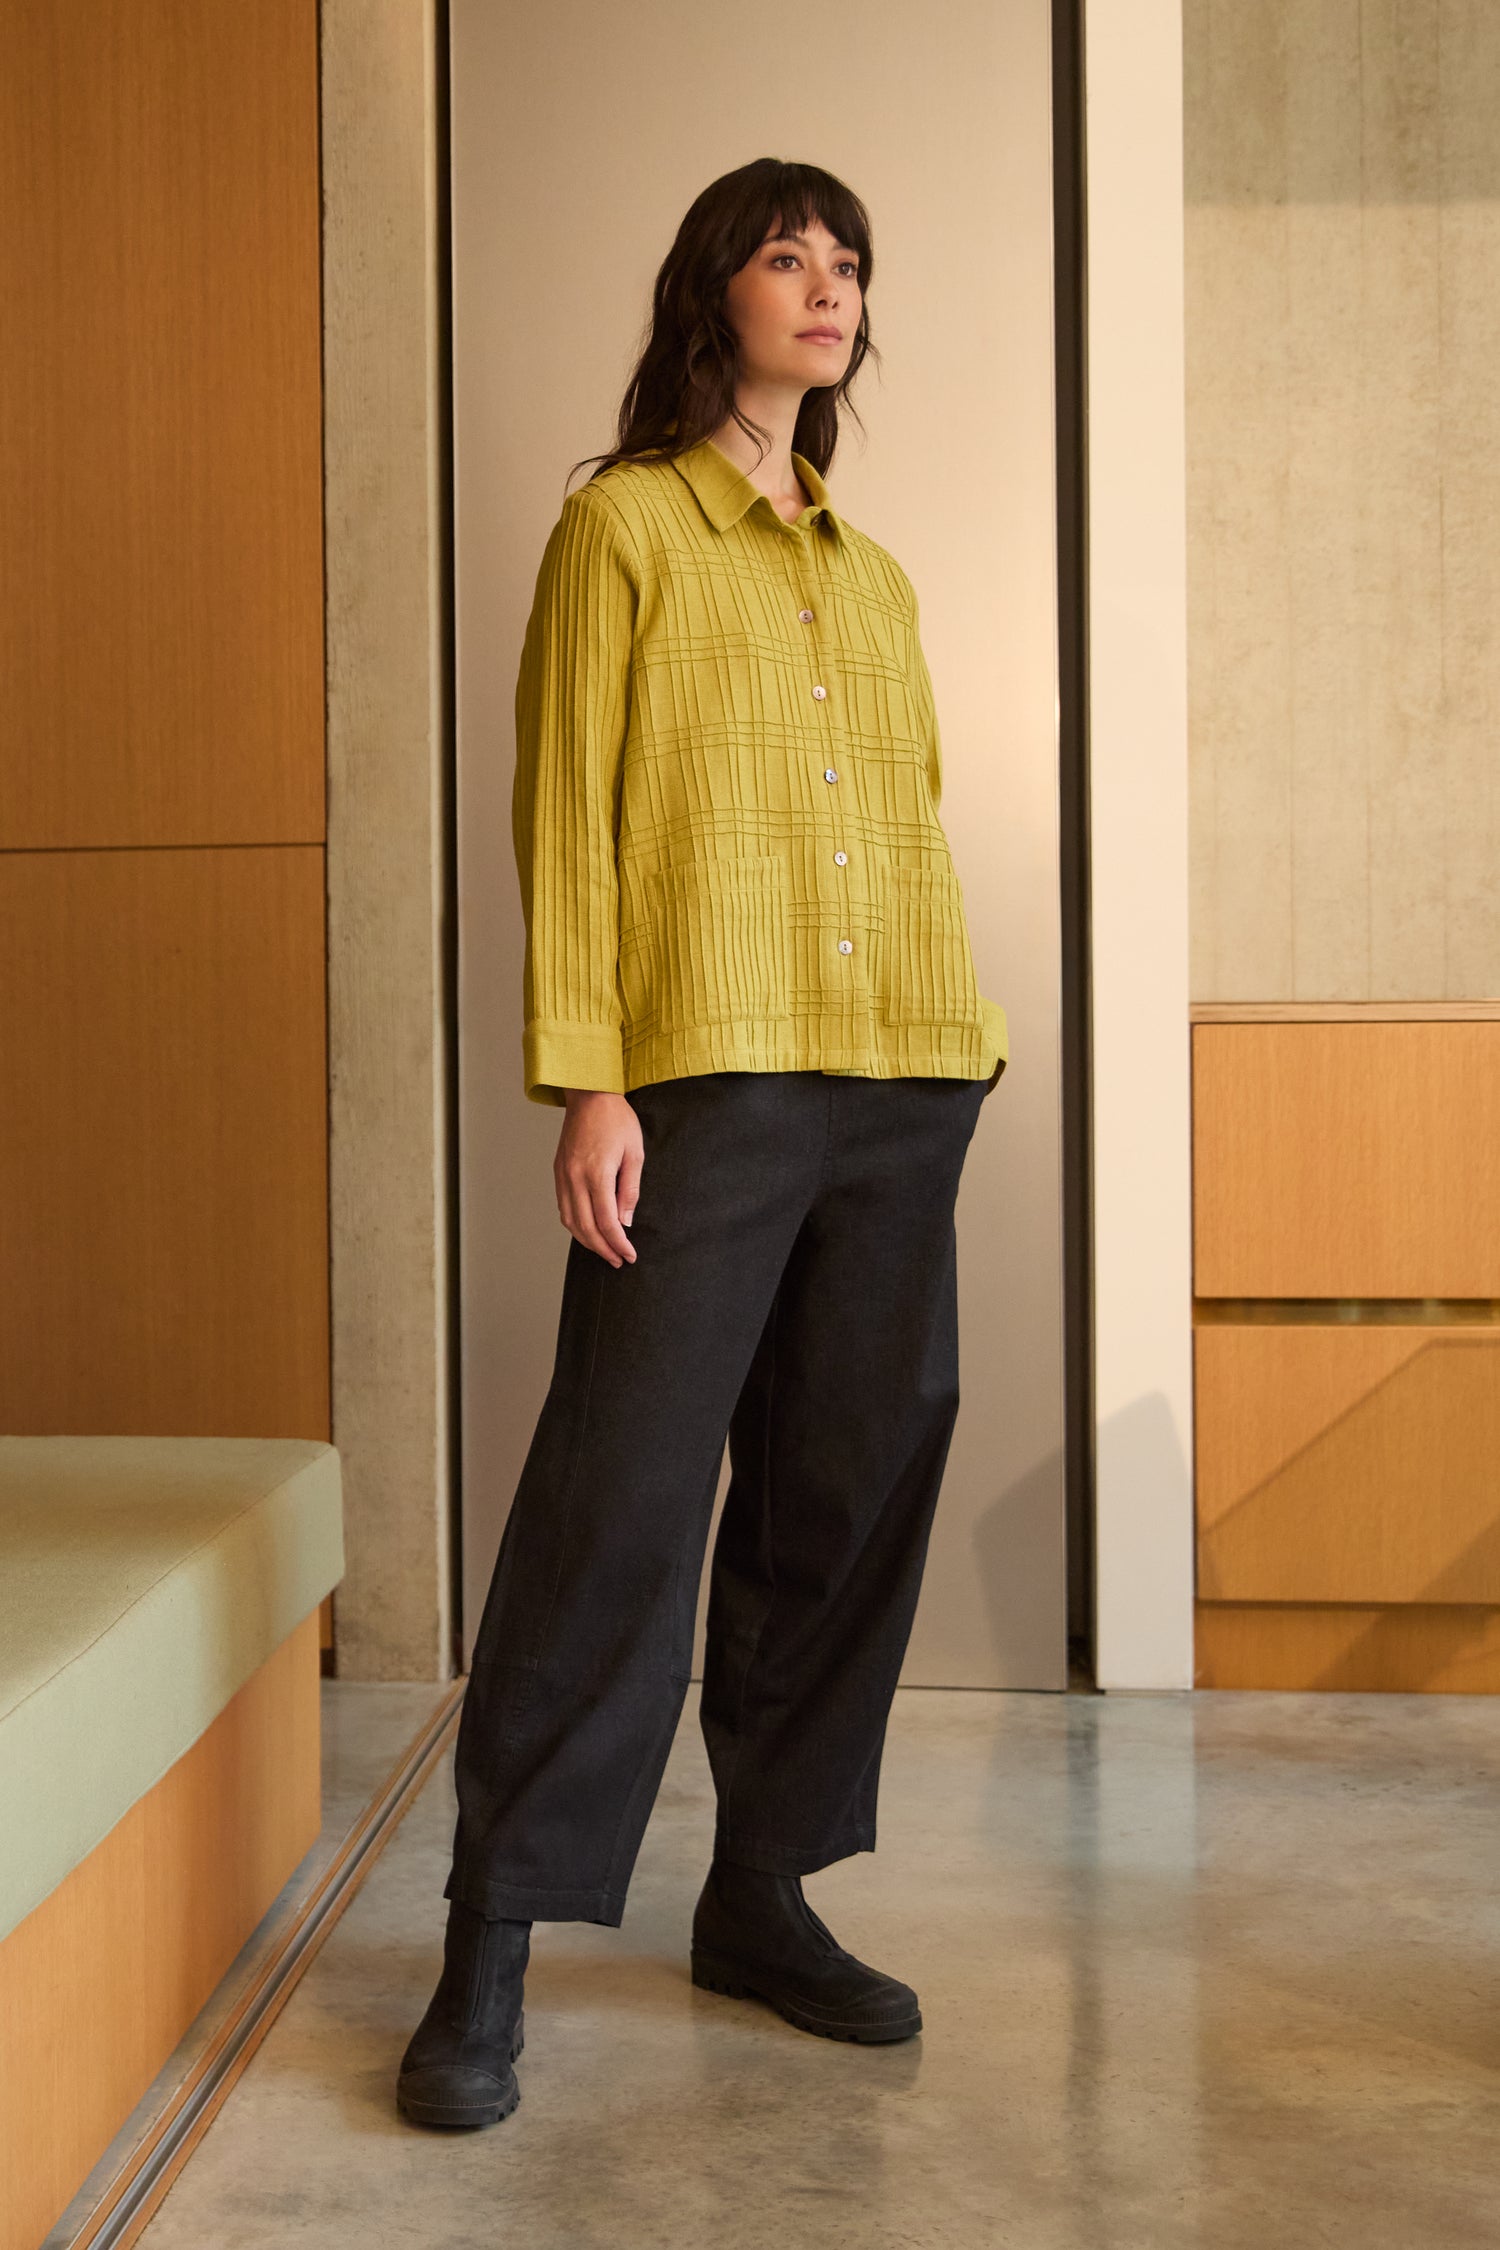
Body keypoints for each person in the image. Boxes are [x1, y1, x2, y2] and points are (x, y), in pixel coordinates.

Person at [397, 156, 1008, 2131]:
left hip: (899, 1083)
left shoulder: (878, 571)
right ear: (713, 293)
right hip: (706, 1087)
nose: (824, 286)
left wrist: (949, 1052)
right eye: (784, 254)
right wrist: (593, 1075)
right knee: (623, 1502)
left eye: (847, 262)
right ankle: (497, 1922)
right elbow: (564, 815)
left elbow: (904, 822)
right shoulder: (626, 530)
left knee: (843, 1498)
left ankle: (760, 1894)